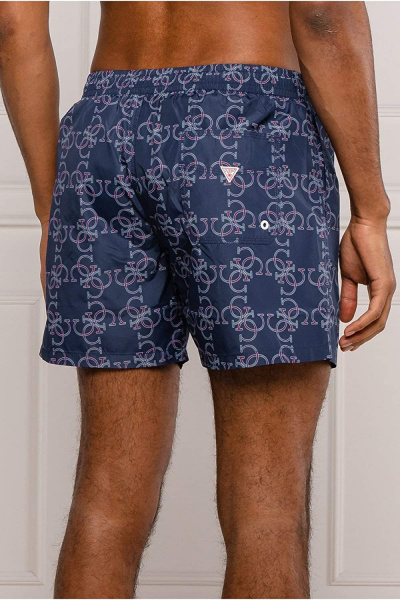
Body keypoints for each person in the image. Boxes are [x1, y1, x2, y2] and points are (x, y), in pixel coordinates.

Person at [0, 1, 396, 598]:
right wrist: (370, 211)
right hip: (248, 128)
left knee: (106, 500)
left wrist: (52, 207)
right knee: (268, 509)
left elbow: (12, 23)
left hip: (105, 128)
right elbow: (322, 13)